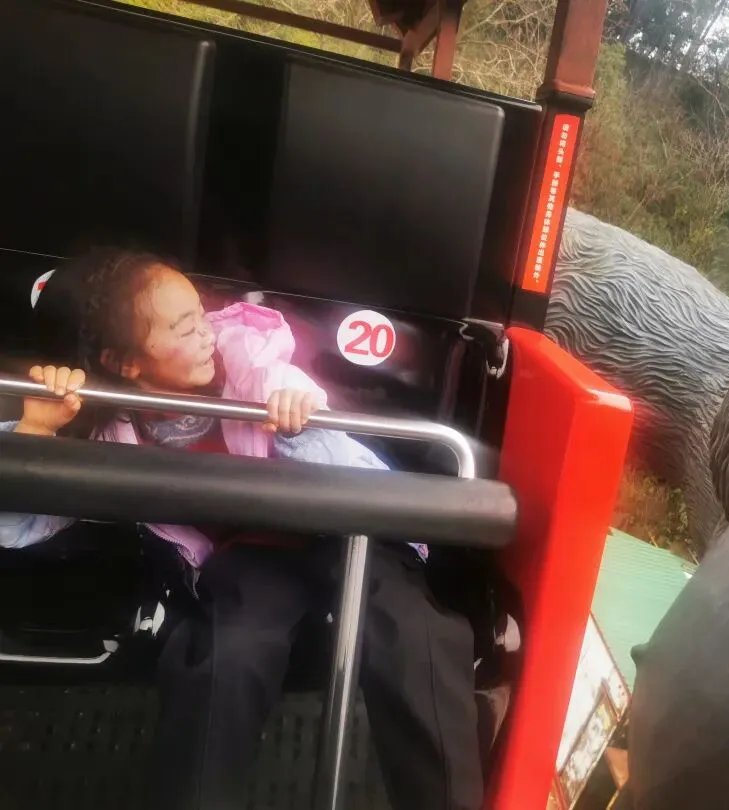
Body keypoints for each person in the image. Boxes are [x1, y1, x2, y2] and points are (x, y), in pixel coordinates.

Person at [0, 248, 484, 810]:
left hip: (350, 524)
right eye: (184, 329)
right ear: (125, 363)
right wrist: (37, 432)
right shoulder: (113, 429)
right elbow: (20, 525)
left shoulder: (252, 361)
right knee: (225, 649)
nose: (206, 334)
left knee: (408, 630)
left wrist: (297, 413)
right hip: (254, 554)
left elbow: (291, 392)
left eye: (201, 315)